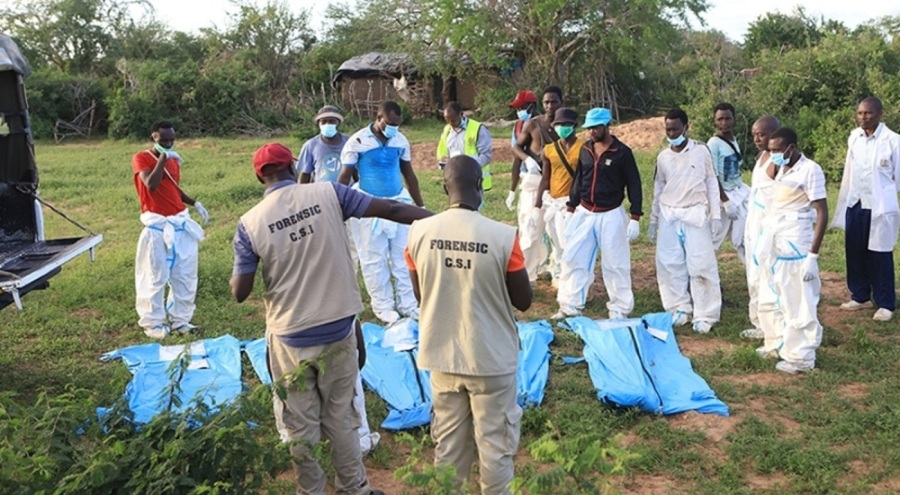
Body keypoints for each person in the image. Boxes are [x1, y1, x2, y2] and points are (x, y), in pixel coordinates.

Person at [230, 142, 431, 495]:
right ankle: (354, 488)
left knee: (300, 423)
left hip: (290, 337)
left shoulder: (249, 225)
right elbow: (391, 210)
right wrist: (441, 217)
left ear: (258, 175)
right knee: (341, 416)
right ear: (293, 167)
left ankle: (311, 490)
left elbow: (239, 292)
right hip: (338, 327)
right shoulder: (330, 193)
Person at [405, 155, 532, 495]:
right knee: (495, 447)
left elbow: (421, 294)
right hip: (491, 359)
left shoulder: (419, 232)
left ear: (445, 187)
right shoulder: (504, 237)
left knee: (448, 447)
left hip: (442, 356)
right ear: (480, 186)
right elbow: (523, 300)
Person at [338, 101, 425, 324]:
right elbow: (345, 178)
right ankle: (383, 306)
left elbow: (409, 175)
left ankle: (408, 303)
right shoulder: (357, 142)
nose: (393, 128)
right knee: (373, 258)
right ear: (378, 118)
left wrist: (419, 206)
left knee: (403, 256)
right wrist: (338, 206)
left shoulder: (400, 141)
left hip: (399, 201)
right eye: (390, 124)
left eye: (397, 124)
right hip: (368, 205)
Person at [555, 108, 642, 320]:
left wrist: (635, 217)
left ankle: (619, 308)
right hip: (585, 211)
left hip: (611, 213)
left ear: (606, 126)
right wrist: (571, 207)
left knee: (615, 263)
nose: (591, 132)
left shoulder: (622, 153)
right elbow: (579, 179)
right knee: (574, 258)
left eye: (595, 128)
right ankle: (570, 305)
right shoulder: (586, 149)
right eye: (589, 128)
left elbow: (634, 184)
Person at [755, 127, 828, 374]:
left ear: (791, 148)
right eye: (770, 150)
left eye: (777, 150)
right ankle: (776, 343)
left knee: (799, 301)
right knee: (773, 295)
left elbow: (821, 212)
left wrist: (812, 256)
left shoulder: (810, 170)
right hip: (776, 240)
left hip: (797, 243)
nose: (772, 154)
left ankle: (801, 358)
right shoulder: (781, 168)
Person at [132, 120, 208, 339]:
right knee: (154, 276)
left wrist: (194, 203)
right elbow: (151, 184)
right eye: (163, 139)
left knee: (185, 275)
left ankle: (180, 320)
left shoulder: (174, 162)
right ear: (153, 137)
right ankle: (153, 323)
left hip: (179, 224)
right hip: (157, 228)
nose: (168, 143)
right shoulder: (142, 158)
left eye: (171, 139)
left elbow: (172, 188)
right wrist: (163, 158)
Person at [649, 108, 722, 333]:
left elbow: (711, 182)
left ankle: (706, 313)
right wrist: (654, 219)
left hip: (695, 213)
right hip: (669, 214)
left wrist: (716, 215)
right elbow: (659, 187)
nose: (672, 133)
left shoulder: (701, 152)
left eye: (676, 129)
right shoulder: (663, 157)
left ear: (686, 127)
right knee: (669, 264)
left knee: (701, 264)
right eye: (668, 129)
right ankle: (678, 308)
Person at [831, 96, 900, 322]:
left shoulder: (893, 141)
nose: (863, 117)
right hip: (856, 202)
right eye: (860, 113)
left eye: (868, 113)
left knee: (879, 254)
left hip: (879, 206)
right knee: (855, 251)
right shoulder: (855, 138)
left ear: (879, 115)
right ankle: (860, 296)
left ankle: (885, 302)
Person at [296, 105, 361, 274]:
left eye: (331, 121)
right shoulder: (310, 146)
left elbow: (356, 173)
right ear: (318, 123)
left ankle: (350, 275)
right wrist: (301, 199)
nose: (327, 125)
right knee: (324, 239)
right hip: (321, 199)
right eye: (324, 121)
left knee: (351, 240)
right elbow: (305, 175)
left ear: (338, 123)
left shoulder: (349, 143)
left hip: (348, 197)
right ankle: (327, 275)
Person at [511, 86, 564, 284]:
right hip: (534, 182)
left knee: (558, 234)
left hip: (557, 185)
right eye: (546, 102)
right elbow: (517, 147)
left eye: (554, 102)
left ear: (561, 102)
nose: (550, 106)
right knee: (530, 231)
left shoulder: (564, 125)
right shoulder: (533, 124)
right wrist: (528, 159)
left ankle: (558, 271)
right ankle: (527, 276)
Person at [740, 115, 780, 340]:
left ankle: (771, 327)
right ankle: (758, 323)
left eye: (762, 134)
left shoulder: (778, 162)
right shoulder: (761, 156)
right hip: (753, 224)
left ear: (774, 133)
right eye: (754, 134)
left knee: (767, 277)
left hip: (768, 227)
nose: (757, 138)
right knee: (753, 275)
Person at [534, 107, 584, 287]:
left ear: (574, 126)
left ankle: (578, 282)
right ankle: (562, 277)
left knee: (573, 245)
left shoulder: (584, 148)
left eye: (567, 124)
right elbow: (545, 178)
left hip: (573, 204)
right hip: (553, 203)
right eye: (559, 124)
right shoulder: (549, 150)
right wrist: (537, 205)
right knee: (557, 243)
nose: (563, 127)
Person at [708, 102, 750, 262]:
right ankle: (705, 278)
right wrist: (725, 201)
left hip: (737, 193)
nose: (724, 123)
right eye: (720, 119)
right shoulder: (714, 143)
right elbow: (712, 175)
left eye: (727, 118)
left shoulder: (733, 140)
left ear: (733, 119)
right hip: (723, 198)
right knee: (714, 239)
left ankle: (752, 274)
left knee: (744, 236)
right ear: (715, 121)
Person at [437, 101, 493, 190]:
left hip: (474, 180)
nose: (450, 123)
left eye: (453, 120)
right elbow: (442, 153)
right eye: (447, 120)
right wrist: (443, 162)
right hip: (454, 179)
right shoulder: (447, 130)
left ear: (461, 114)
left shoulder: (478, 129)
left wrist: (467, 166)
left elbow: (486, 156)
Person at [505, 89, 539, 212]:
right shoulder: (518, 127)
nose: (519, 112)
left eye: (522, 107)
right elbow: (517, 156)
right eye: (517, 109)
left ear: (532, 106)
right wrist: (512, 191)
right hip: (527, 177)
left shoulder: (545, 124)